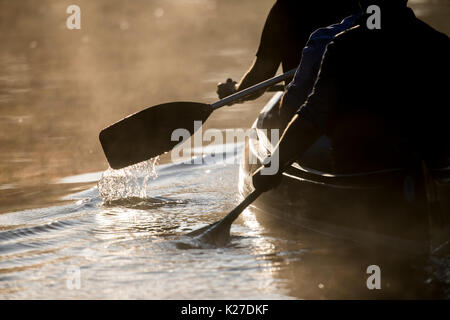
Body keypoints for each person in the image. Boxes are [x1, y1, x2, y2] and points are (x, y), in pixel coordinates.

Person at [253, 0, 450, 191]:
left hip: (362, 168)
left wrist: (273, 166)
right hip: (427, 165)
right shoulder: (440, 44)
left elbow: (312, 118)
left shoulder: (344, 47)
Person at [216, 0, 360, 102]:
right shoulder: (359, 5)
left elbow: (261, 75)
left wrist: (235, 92)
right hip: (353, 102)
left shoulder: (284, 8)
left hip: (305, 107)